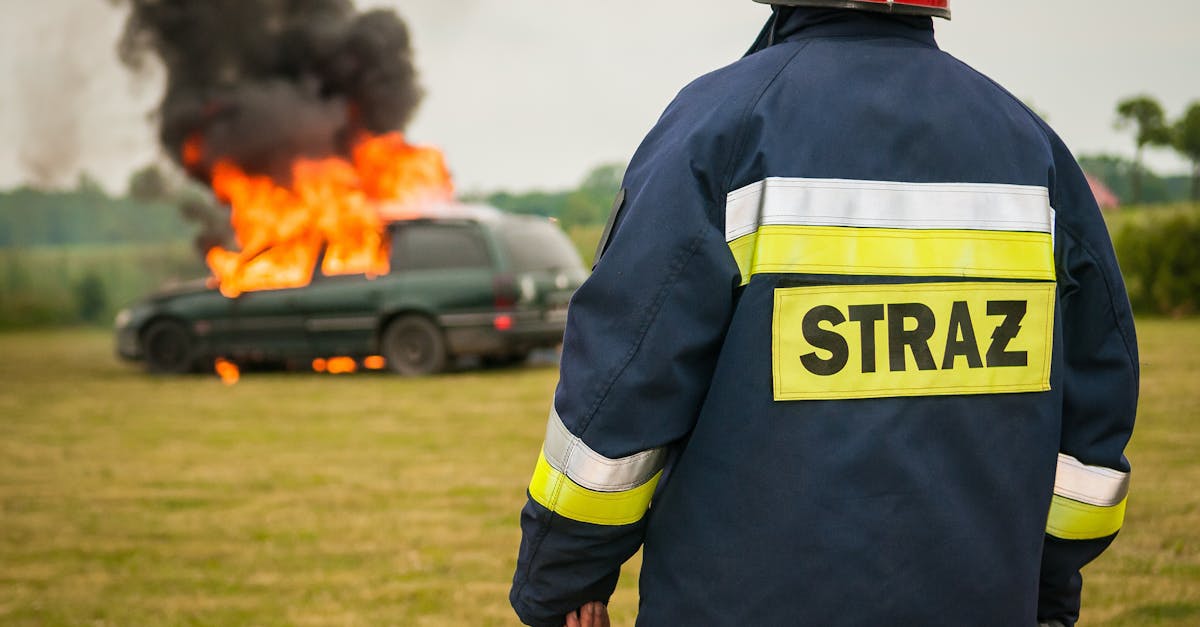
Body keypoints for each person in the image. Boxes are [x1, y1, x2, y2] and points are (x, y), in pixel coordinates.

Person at [510, 2, 1139, 625]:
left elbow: (623, 385)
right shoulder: (1030, 148)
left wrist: (564, 578)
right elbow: (1094, 428)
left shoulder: (722, 129)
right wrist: (1043, 587)